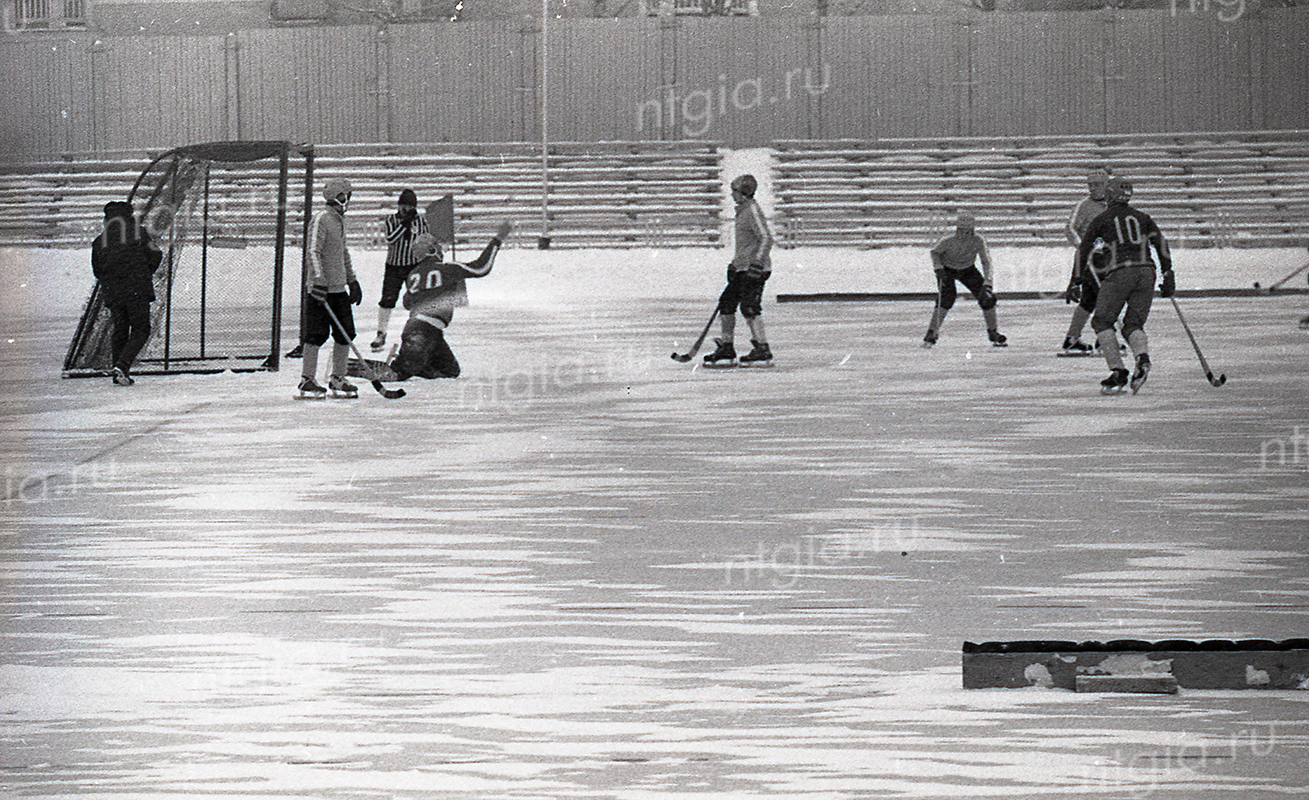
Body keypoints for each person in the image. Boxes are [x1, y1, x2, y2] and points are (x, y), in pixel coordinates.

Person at [1075, 176, 1175, 394]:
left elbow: (1084, 250)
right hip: (1147, 271)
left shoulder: (1102, 218)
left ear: (1109, 195)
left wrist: (1076, 280)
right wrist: (1168, 272)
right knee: (1133, 325)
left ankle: (1118, 371)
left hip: (1120, 272)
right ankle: (1142, 357)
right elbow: (1161, 244)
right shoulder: (1143, 217)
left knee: (1102, 321)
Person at [391, 222, 512, 380]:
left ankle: (412, 362)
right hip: (425, 330)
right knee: (402, 372)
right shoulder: (447, 268)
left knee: (450, 371)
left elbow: (407, 303)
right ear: (433, 250)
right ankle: (401, 366)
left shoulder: (413, 274)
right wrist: (498, 239)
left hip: (423, 329)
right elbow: (481, 268)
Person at [299, 177, 363, 398]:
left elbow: (342, 253)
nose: (350, 200)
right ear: (340, 197)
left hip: (338, 289)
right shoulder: (322, 219)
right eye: (348, 196)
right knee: (316, 334)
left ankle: (338, 378)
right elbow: (313, 251)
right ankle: (307, 379)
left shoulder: (339, 221)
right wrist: (318, 280)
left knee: (346, 333)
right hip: (321, 290)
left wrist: (352, 280)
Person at [703, 174, 775, 367]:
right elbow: (746, 245)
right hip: (742, 268)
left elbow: (766, 238)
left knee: (749, 307)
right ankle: (727, 346)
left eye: (734, 191)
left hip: (755, 270)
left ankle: (762, 348)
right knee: (726, 303)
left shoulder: (751, 210)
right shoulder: (742, 211)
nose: (732, 195)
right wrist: (734, 265)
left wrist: (757, 264)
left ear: (744, 193)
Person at [91, 201, 162, 386]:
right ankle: (122, 365)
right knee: (141, 328)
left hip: (113, 292)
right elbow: (155, 255)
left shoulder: (100, 241)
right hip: (137, 288)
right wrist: (144, 273)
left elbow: (97, 269)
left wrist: (112, 281)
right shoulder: (139, 232)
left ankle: (118, 370)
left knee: (120, 330)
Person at [922, 212, 1006, 348]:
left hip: (968, 269)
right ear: (957, 230)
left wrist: (988, 283)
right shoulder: (948, 241)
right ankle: (932, 332)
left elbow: (986, 261)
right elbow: (935, 252)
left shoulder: (978, 241)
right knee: (947, 297)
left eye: (968, 232)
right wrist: (938, 268)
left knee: (987, 298)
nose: (965, 235)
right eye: (962, 231)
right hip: (947, 269)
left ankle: (993, 331)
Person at [371, 188, 434, 351]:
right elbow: (391, 238)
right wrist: (404, 225)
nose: (406, 210)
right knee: (387, 299)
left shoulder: (421, 221)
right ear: (398, 206)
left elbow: (426, 240)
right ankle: (381, 333)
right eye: (403, 206)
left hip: (413, 265)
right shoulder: (391, 220)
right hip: (394, 265)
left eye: (409, 206)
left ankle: (417, 333)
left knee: (417, 300)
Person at [1060, 168, 1110, 355]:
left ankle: (1072, 338)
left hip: (1109, 258)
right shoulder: (1083, 205)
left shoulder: (1113, 205)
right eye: (1091, 185)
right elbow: (1070, 228)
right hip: (1090, 259)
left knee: (1090, 300)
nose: (1093, 188)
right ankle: (1104, 340)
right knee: (1105, 297)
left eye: (1097, 184)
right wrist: (1083, 245)